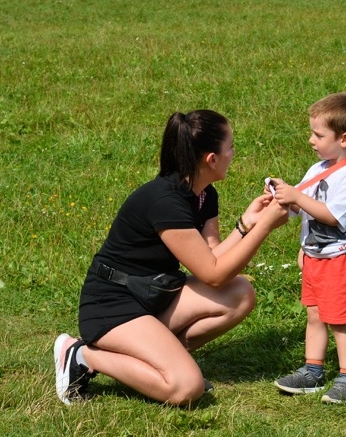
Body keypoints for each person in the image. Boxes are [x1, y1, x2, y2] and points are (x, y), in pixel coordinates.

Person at [54, 110, 289, 406]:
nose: (234, 153)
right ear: (211, 159)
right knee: (186, 390)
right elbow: (213, 274)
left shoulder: (204, 194)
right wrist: (265, 226)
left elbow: (211, 256)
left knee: (240, 293)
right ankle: (83, 355)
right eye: (230, 146)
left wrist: (246, 224)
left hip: (153, 295)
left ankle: (164, 364)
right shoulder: (164, 201)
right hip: (113, 306)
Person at [269, 93, 346, 404]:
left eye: (318, 134)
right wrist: (282, 196)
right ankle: (313, 372)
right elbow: (303, 208)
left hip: (338, 258)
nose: (311, 139)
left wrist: (297, 198)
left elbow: (333, 217)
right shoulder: (318, 169)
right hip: (315, 256)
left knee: (340, 319)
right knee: (314, 315)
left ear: (344, 139)